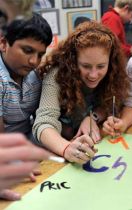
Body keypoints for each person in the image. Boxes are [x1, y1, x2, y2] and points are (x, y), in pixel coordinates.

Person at [32, 21, 129, 164]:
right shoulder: (56, 76)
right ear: (73, 61)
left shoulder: (113, 74)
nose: (93, 75)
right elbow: (43, 123)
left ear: (110, 62)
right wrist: (66, 148)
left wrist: (93, 117)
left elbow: (115, 103)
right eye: (86, 66)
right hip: (57, 152)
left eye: (101, 66)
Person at [0, 1, 52, 201]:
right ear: (3, 43)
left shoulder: (35, 75)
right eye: (27, 50)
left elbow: (44, 117)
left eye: (40, 54)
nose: (34, 61)